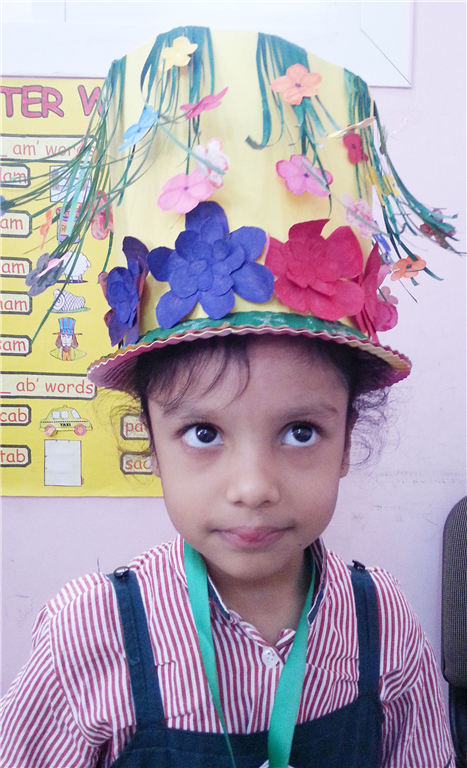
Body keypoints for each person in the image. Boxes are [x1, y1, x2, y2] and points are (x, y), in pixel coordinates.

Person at [0, 25, 458, 768]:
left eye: (301, 431)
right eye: (204, 433)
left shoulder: (386, 625)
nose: (253, 487)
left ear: (347, 440)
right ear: (152, 442)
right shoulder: (87, 635)